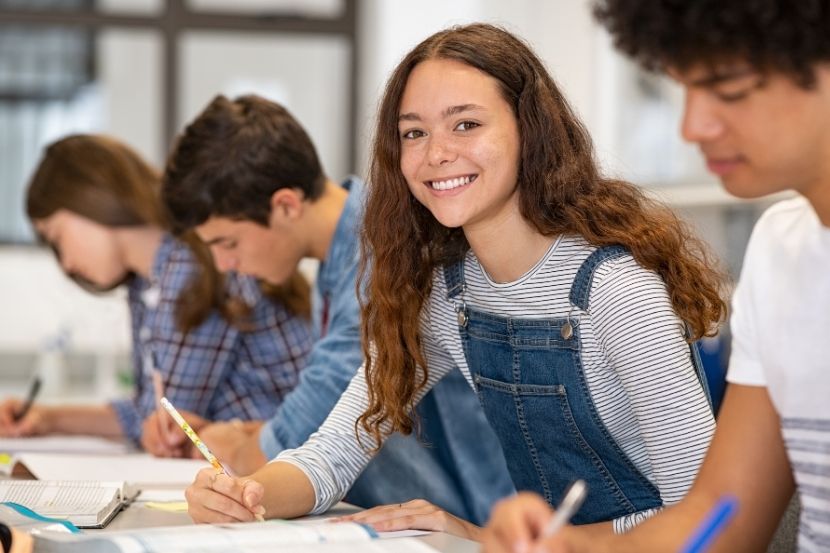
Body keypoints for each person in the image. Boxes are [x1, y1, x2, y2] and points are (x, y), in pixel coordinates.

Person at [183, 23, 725, 541]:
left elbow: (706, 513)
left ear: (529, 130)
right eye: (414, 133)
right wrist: (246, 494)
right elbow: (333, 452)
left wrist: (488, 536)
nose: (436, 153)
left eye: (466, 124)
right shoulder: (445, 293)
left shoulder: (615, 290)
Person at [481, 2, 830, 552]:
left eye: (730, 89)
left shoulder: (612, 284)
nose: (693, 126)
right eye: (684, 88)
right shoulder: (781, 250)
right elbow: (723, 517)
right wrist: (571, 547)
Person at [160, 94, 515, 528]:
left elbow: (293, 435)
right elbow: (333, 434)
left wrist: (233, 443)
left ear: (287, 205)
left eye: (227, 243)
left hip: (468, 518)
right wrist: (240, 439)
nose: (224, 266)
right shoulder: (339, 255)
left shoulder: (381, 256)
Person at [0, 134, 312, 450]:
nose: (65, 264)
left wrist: (56, 420)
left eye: (57, 237)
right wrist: (46, 419)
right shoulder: (149, 282)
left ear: (90, 198)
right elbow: (152, 411)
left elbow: (166, 425)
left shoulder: (193, 267)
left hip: (292, 462)